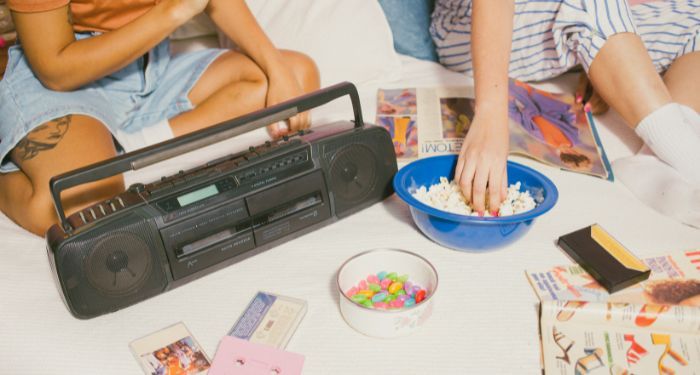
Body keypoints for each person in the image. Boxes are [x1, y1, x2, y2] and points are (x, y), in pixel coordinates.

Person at [0, 0, 320, 236]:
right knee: (85, 209)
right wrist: (171, 12)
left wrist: (276, 68)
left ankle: (131, 145)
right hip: (71, 75)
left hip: (151, 65)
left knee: (296, 81)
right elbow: (55, 70)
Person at [431, 0, 700, 217]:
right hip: (474, 25)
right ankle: (690, 158)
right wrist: (490, 111)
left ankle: (654, 161)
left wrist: (605, 61)